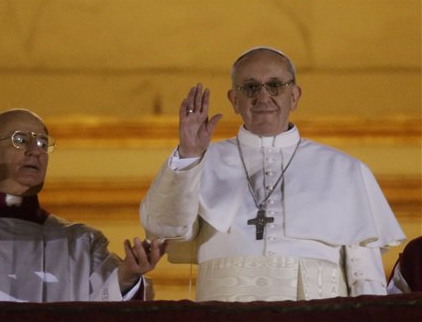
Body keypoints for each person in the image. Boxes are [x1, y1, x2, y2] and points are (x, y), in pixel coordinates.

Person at [140, 46, 406, 302]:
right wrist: (188, 156)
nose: (263, 96)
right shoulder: (201, 160)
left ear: (295, 96)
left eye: (275, 85)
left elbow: (365, 275)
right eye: (251, 87)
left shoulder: (344, 169)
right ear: (234, 100)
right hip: (223, 310)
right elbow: (166, 230)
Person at [0, 108, 163, 302]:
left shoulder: (81, 243)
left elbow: (109, 301)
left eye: (43, 143)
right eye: (20, 140)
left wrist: (129, 275)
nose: (35, 150)